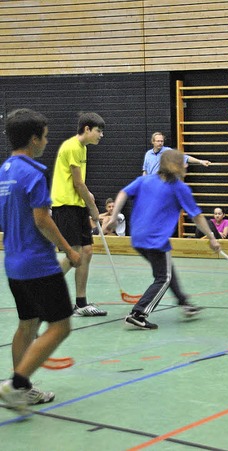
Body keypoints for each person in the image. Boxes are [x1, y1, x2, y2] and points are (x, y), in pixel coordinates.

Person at [0, 108, 81, 411]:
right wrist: (69, 251)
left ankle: (22, 388)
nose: (47, 142)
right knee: (61, 326)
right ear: (34, 139)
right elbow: (42, 220)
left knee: (27, 324)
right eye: (45, 136)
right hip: (38, 264)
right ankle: (16, 384)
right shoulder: (33, 173)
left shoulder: (4, 172)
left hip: (14, 264)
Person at [106, 149, 221, 329]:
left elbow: (123, 193)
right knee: (163, 278)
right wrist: (212, 238)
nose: (186, 165)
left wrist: (113, 217)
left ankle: (185, 303)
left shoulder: (145, 180)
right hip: (155, 239)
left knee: (166, 270)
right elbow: (197, 216)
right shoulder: (180, 188)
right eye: (183, 162)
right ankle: (139, 313)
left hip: (138, 237)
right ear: (175, 166)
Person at [51, 112, 107, 317]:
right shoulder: (73, 146)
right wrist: (92, 206)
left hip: (76, 205)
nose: (101, 135)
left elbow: (78, 182)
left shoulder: (82, 148)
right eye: (99, 131)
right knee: (73, 254)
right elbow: (77, 183)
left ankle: (81, 304)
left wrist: (87, 197)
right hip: (65, 207)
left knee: (87, 252)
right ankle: (44, 289)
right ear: (87, 129)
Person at [142, 132, 212, 176]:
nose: (160, 143)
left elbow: (185, 157)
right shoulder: (148, 154)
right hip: (150, 184)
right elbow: (145, 171)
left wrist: (200, 161)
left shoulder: (168, 151)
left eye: (162, 141)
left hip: (162, 184)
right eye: (158, 141)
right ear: (153, 142)